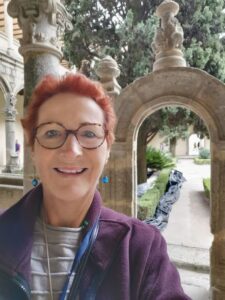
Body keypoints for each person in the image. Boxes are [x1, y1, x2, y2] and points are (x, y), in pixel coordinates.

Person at [0, 73, 190, 299]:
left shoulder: (140, 248)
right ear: (33, 147)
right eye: (52, 132)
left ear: (107, 149)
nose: (71, 151)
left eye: (89, 133)